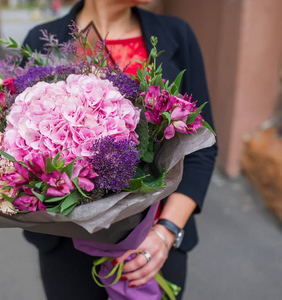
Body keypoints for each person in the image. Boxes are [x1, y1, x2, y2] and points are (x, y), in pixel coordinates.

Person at [21, 1, 218, 299]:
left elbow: (201, 147)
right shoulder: (42, 39)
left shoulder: (177, 34)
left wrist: (165, 233)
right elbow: (21, 145)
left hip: (155, 244)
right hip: (67, 246)